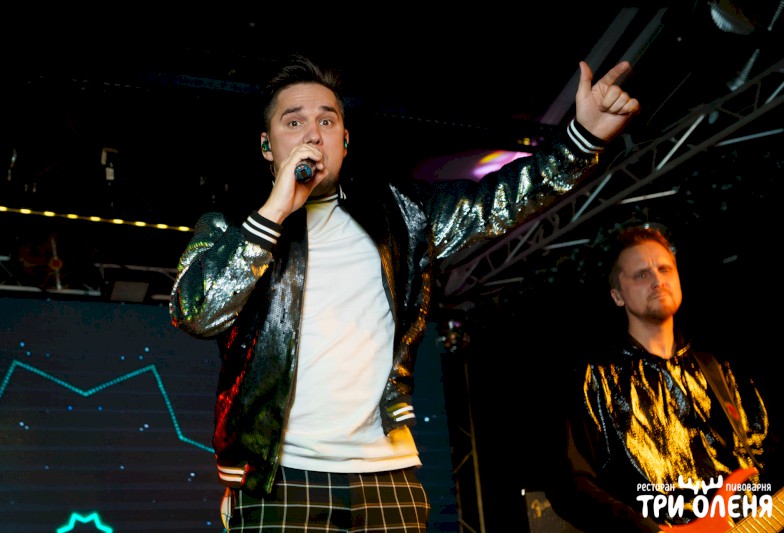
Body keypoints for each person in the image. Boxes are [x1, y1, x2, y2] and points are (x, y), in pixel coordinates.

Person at [168, 53, 639, 531]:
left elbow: (499, 202)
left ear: (344, 140)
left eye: (326, 121)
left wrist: (583, 139)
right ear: (267, 146)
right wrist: (273, 213)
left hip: (387, 476)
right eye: (294, 122)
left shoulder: (402, 216)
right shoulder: (230, 226)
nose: (312, 135)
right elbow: (195, 313)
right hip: (278, 479)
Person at [545, 224, 780, 532]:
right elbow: (571, 485)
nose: (658, 280)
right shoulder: (595, 378)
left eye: (665, 269)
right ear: (617, 295)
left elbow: (765, 454)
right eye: (642, 274)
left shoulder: (720, 367)